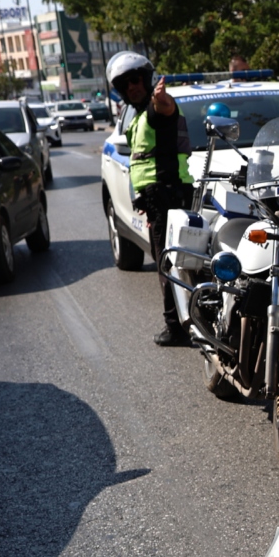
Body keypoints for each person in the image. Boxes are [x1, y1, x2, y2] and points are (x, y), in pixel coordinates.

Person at [109, 51, 194, 347]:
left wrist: (161, 99)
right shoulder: (139, 116)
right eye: (125, 84)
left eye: (136, 80)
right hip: (160, 197)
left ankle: (176, 328)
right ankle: (189, 320)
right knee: (175, 262)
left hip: (168, 195)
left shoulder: (157, 109)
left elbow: (166, 108)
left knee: (167, 265)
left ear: (146, 79)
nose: (132, 87)